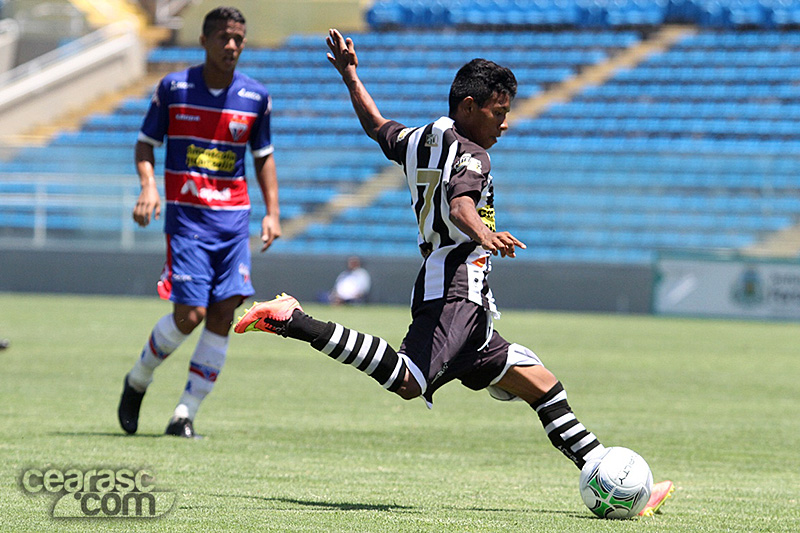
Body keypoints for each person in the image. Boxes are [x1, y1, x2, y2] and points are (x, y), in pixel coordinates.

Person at [234, 29, 672, 514]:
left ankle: (615, 477)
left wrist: (350, 75)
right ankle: (293, 319)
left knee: (542, 385)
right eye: (499, 113)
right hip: (456, 289)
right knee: (408, 381)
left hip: (466, 297)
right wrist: (485, 235)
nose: (504, 125)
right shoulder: (473, 155)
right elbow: (460, 201)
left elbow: (376, 126)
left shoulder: (420, 139)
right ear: (469, 106)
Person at [117, 6, 281, 438]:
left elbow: (263, 158)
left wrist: (273, 213)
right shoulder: (174, 88)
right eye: (224, 37)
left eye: (239, 39)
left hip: (232, 224)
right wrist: (148, 186)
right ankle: (137, 380)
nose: (232, 46)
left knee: (223, 314)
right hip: (188, 222)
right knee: (189, 314)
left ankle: (185, 413)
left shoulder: (256, 97)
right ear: (205, 40)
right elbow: (144, 145)